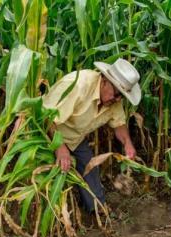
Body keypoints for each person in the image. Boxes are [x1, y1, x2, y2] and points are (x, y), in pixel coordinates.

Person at [42, 58, 141, 213]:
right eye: (116, 94)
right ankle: (52, 213)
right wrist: (60, 147)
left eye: (121, 97)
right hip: (49, 133)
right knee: (53, 174)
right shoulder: (78, 86)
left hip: (75, 139)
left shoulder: (113, 100)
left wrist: (127, 143)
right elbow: (47, 118)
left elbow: (119, 123)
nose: (117, 100)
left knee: (90, 168)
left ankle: (97, 209)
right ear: (104, 81)